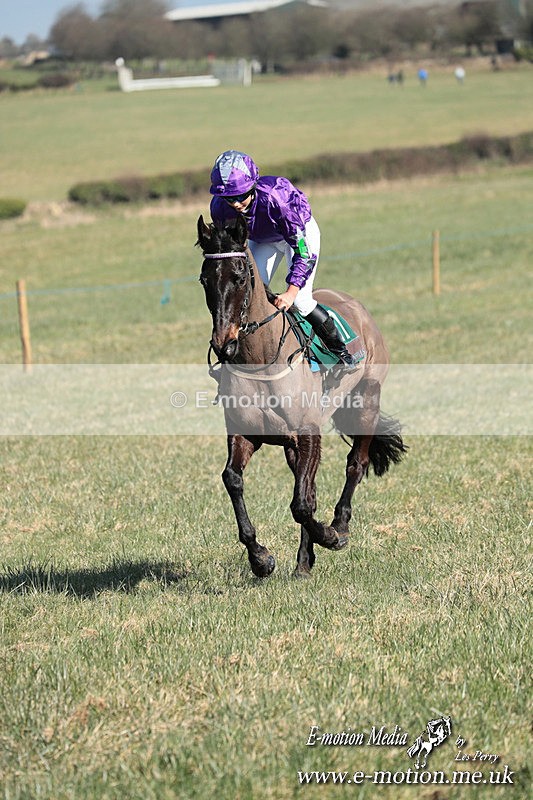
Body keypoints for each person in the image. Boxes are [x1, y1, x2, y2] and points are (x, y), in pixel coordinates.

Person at [209, 149, 357, 367]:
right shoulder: (219, 208)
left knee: (300, 301)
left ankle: (340, 353)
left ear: (252, 186)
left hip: (298, 237)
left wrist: (290, 292)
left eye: (241, 195)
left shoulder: (276, 198)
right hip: (262, 240)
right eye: (229, 198)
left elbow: (303, 252)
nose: (236, 203)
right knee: (247, 294)